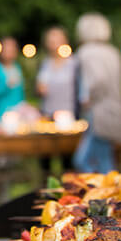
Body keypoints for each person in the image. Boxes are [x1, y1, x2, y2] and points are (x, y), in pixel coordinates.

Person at [72, 13, 121, 173]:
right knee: (105, 158)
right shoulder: (113, 52)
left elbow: (98, 80)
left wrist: (88, 98)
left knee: (84, 160)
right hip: (115, 111)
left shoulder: (87, 52)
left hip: (98, 113)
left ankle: (98, 193)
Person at [36, 25, 78, 175]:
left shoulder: (73, 63)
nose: (53, 41)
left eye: (56, 37)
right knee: (45, 157)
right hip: (47, 113)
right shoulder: (45, 63)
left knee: (67, 157)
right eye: (50, 38)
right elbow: (39, 87)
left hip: (68, 115)